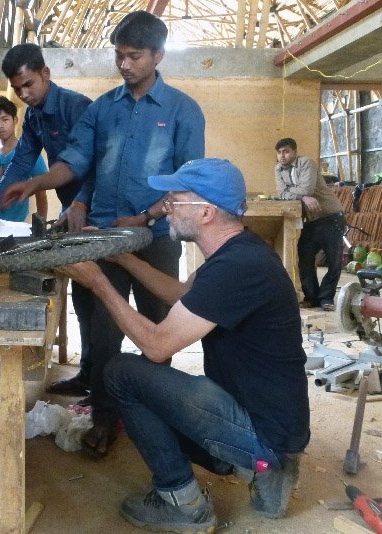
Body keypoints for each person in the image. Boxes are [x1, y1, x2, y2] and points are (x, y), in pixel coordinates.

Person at [59, 158, 309, 532]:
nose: (166, 207)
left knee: (122, 373)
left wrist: (98, 282)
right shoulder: (239, 251)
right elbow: (179, 294)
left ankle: (184, 503)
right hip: (263, 418)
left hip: (261, 430)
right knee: (151, 389)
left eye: (176, 199)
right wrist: (122, 257)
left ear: (206, 212)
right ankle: (270, 467)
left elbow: (157, 346)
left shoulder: (236, 268)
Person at [1, 11, 205, 457]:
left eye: (134, 56)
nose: (124, 64)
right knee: (104, 330)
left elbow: (188, 181)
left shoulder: (183, 111)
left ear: (157, 55)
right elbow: (75, 162)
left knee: (160, 328)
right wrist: (35, 183)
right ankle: (106, 417)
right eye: (119, 55)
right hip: (105, 239)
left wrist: (147, 215)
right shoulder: (102, 109)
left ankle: (155, 414)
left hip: (156, 239)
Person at [0, 44, 95, 397]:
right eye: (17, 88)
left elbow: (100, 163)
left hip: (100, 212)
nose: (23, 94)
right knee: (85, 296)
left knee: (105, 297)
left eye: (28, 84)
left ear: (45, 75)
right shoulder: (36, 117)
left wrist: (82, 200)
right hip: (74, 212)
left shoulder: (78, 107)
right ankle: (89, 374)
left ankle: (109, 388)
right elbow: (21, 163)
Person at [274, 137, 344, 311]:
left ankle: (326, 298)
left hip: (331, 216)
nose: (282, 156)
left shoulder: (306, 163)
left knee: (334, 261)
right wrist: (302, 196)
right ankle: (312, 297)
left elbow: (306, 189)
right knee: (304, 259)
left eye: (286, 151)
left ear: (295, 152)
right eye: (279, 152)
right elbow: (281, 192)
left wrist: (300, 194)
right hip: (311, 219)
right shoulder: (279, 169)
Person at [0, 96, 48, 222]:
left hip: (16, 224)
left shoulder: (29, 153)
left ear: (15, 120)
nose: (0, 125)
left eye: (5, 120)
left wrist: (41, 226)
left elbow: (41, 194)